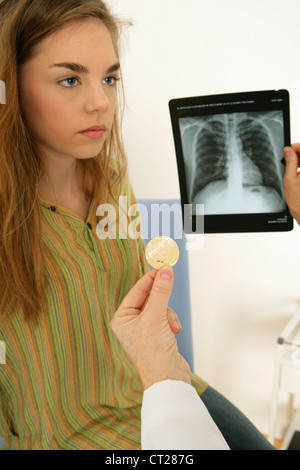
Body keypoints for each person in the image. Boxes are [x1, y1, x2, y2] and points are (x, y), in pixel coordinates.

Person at [0, 0, 274, 450]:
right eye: (70, 79)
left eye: (109, 77)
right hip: (71, 433)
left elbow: (125, 293)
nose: (102, 102)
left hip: (157, 386)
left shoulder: (110, 177)